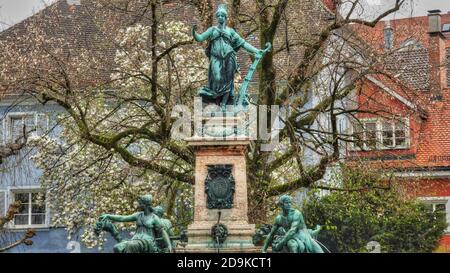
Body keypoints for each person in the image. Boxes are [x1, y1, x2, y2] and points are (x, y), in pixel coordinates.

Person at [192, 4, 263, 109]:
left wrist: (257, 50)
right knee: (217, 78)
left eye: (222, 15)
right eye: (219, 15)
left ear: (225, 17)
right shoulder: (212, 30)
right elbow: (200, 37)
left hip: (229, 58)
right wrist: (193, 32)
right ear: (217, 17)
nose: (220, 17)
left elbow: (243, 43)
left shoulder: (230, 31)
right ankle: (217, 101)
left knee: (228, 81)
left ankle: (224, 104)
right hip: (216, 58)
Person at [99, 194, 172, 253]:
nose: (138, 205)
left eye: (140, 203)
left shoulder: (154, 218)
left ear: (145, 205)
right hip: (135, 239)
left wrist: (169, 246)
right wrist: (109, 216)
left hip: (147, 241)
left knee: (131, 245)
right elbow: (122, 218)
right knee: (117, 247)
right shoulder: (138, 215)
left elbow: (163, 232)